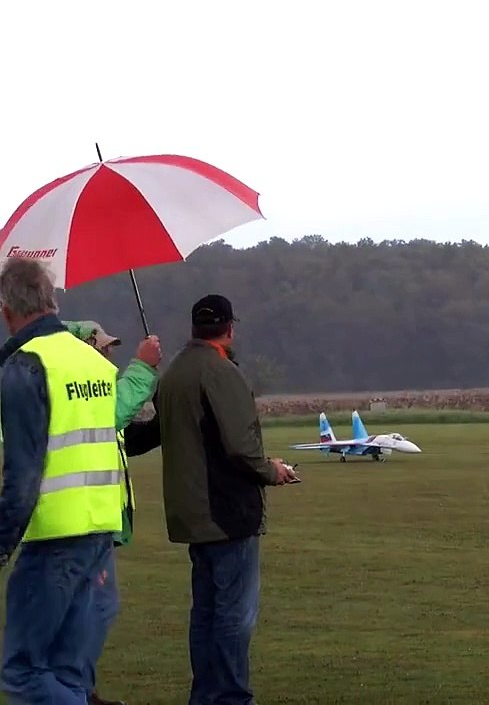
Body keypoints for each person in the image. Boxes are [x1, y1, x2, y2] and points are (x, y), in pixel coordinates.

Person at [121, 294, 292, 704]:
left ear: (194, 327)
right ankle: (231, 697)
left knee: (206, 613)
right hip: (226, 512)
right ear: (230, 328)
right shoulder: (221, 372)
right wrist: (272, 470)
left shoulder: (174, 373)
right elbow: (241, 447)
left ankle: (206, 695)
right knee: (234, 615)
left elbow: (149, 435)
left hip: (191, 514)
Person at [0, 258, 126, 702]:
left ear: (6, 310)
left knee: (22, 672)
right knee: (69, 672)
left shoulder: (26, 365)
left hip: (53, 537)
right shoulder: (93, 362)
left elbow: (23, 475)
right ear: (50, 301)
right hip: (101, 530)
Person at [63, 320, 163, 705]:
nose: (109, 354)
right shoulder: (84, 397)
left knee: (90, 609)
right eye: (103, 347)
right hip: (83, 521)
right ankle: (74, 692)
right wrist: (143, 368)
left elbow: (129, 438)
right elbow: (113, 414)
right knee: (94, 608)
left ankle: (81, 690)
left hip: (93, 521)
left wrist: (164, 416)